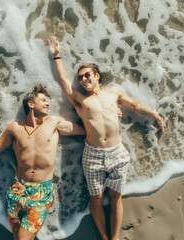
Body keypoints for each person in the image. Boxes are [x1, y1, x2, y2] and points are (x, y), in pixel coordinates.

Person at [48, 36, 166, 240]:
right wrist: (57, 55)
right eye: (81, 78)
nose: (83, 80)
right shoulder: (81, 101)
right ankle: (103, 237)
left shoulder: (114, 94)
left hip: (117, 152)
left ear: (96, 75)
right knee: (96, 199)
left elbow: (135, 105)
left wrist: (154, 115)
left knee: (115, 198)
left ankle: (115, 237)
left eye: (86, 75)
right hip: (92, 155)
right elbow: (64, 82)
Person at [0, 84, 88, 240]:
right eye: (43, 100)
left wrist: (110, 116)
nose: (47, 103)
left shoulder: (54, 123)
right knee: (17, 236)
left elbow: (88, 129)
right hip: (18, 189)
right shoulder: (15, 128)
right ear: (31, 104)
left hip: (41, 192)